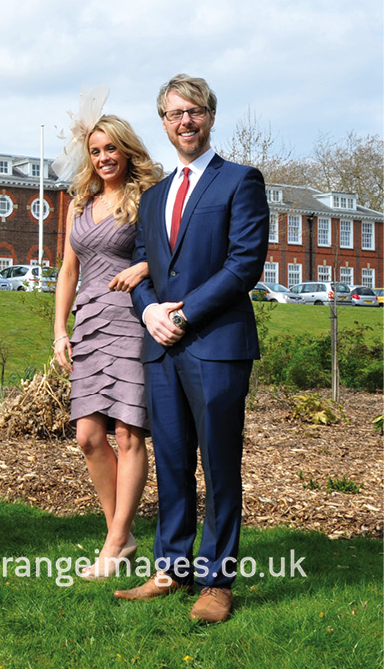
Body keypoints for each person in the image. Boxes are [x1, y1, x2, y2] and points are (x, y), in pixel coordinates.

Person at [114, 75, 269, 623]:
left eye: (195, 111)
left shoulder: (240, 182)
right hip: (161, 346)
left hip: (216, 344)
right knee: (173, 461)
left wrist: (184, 312)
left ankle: (217, 582)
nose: (186, 121)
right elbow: (142, 265)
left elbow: (243, 264)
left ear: (209, 116)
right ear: (162, 121)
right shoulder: (153, 197)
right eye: (175, 113)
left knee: (220, 464)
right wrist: (151, 310)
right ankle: (170, 567)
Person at [51, 105, 163, 580]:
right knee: (88, 436)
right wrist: (60, 331)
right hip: (89, 323)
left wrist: (145, 268)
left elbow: (172, 254)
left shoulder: (147, 198)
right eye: (95, 151)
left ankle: (116, 541)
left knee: (128, 433)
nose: (102, 157)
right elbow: (67, 271)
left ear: (126, 148)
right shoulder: (79, 203)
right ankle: (125, 532)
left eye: (110, 147)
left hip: (132, 320)